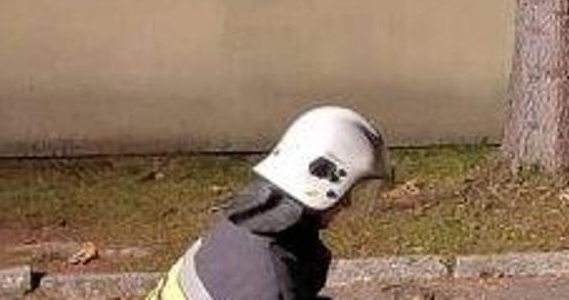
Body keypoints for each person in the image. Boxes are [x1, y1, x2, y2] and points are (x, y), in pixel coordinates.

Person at [146, 107, 389, 300]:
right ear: (321, 184)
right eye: (347, 192)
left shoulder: (240, 225)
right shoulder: (269, 280)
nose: (345, 204)